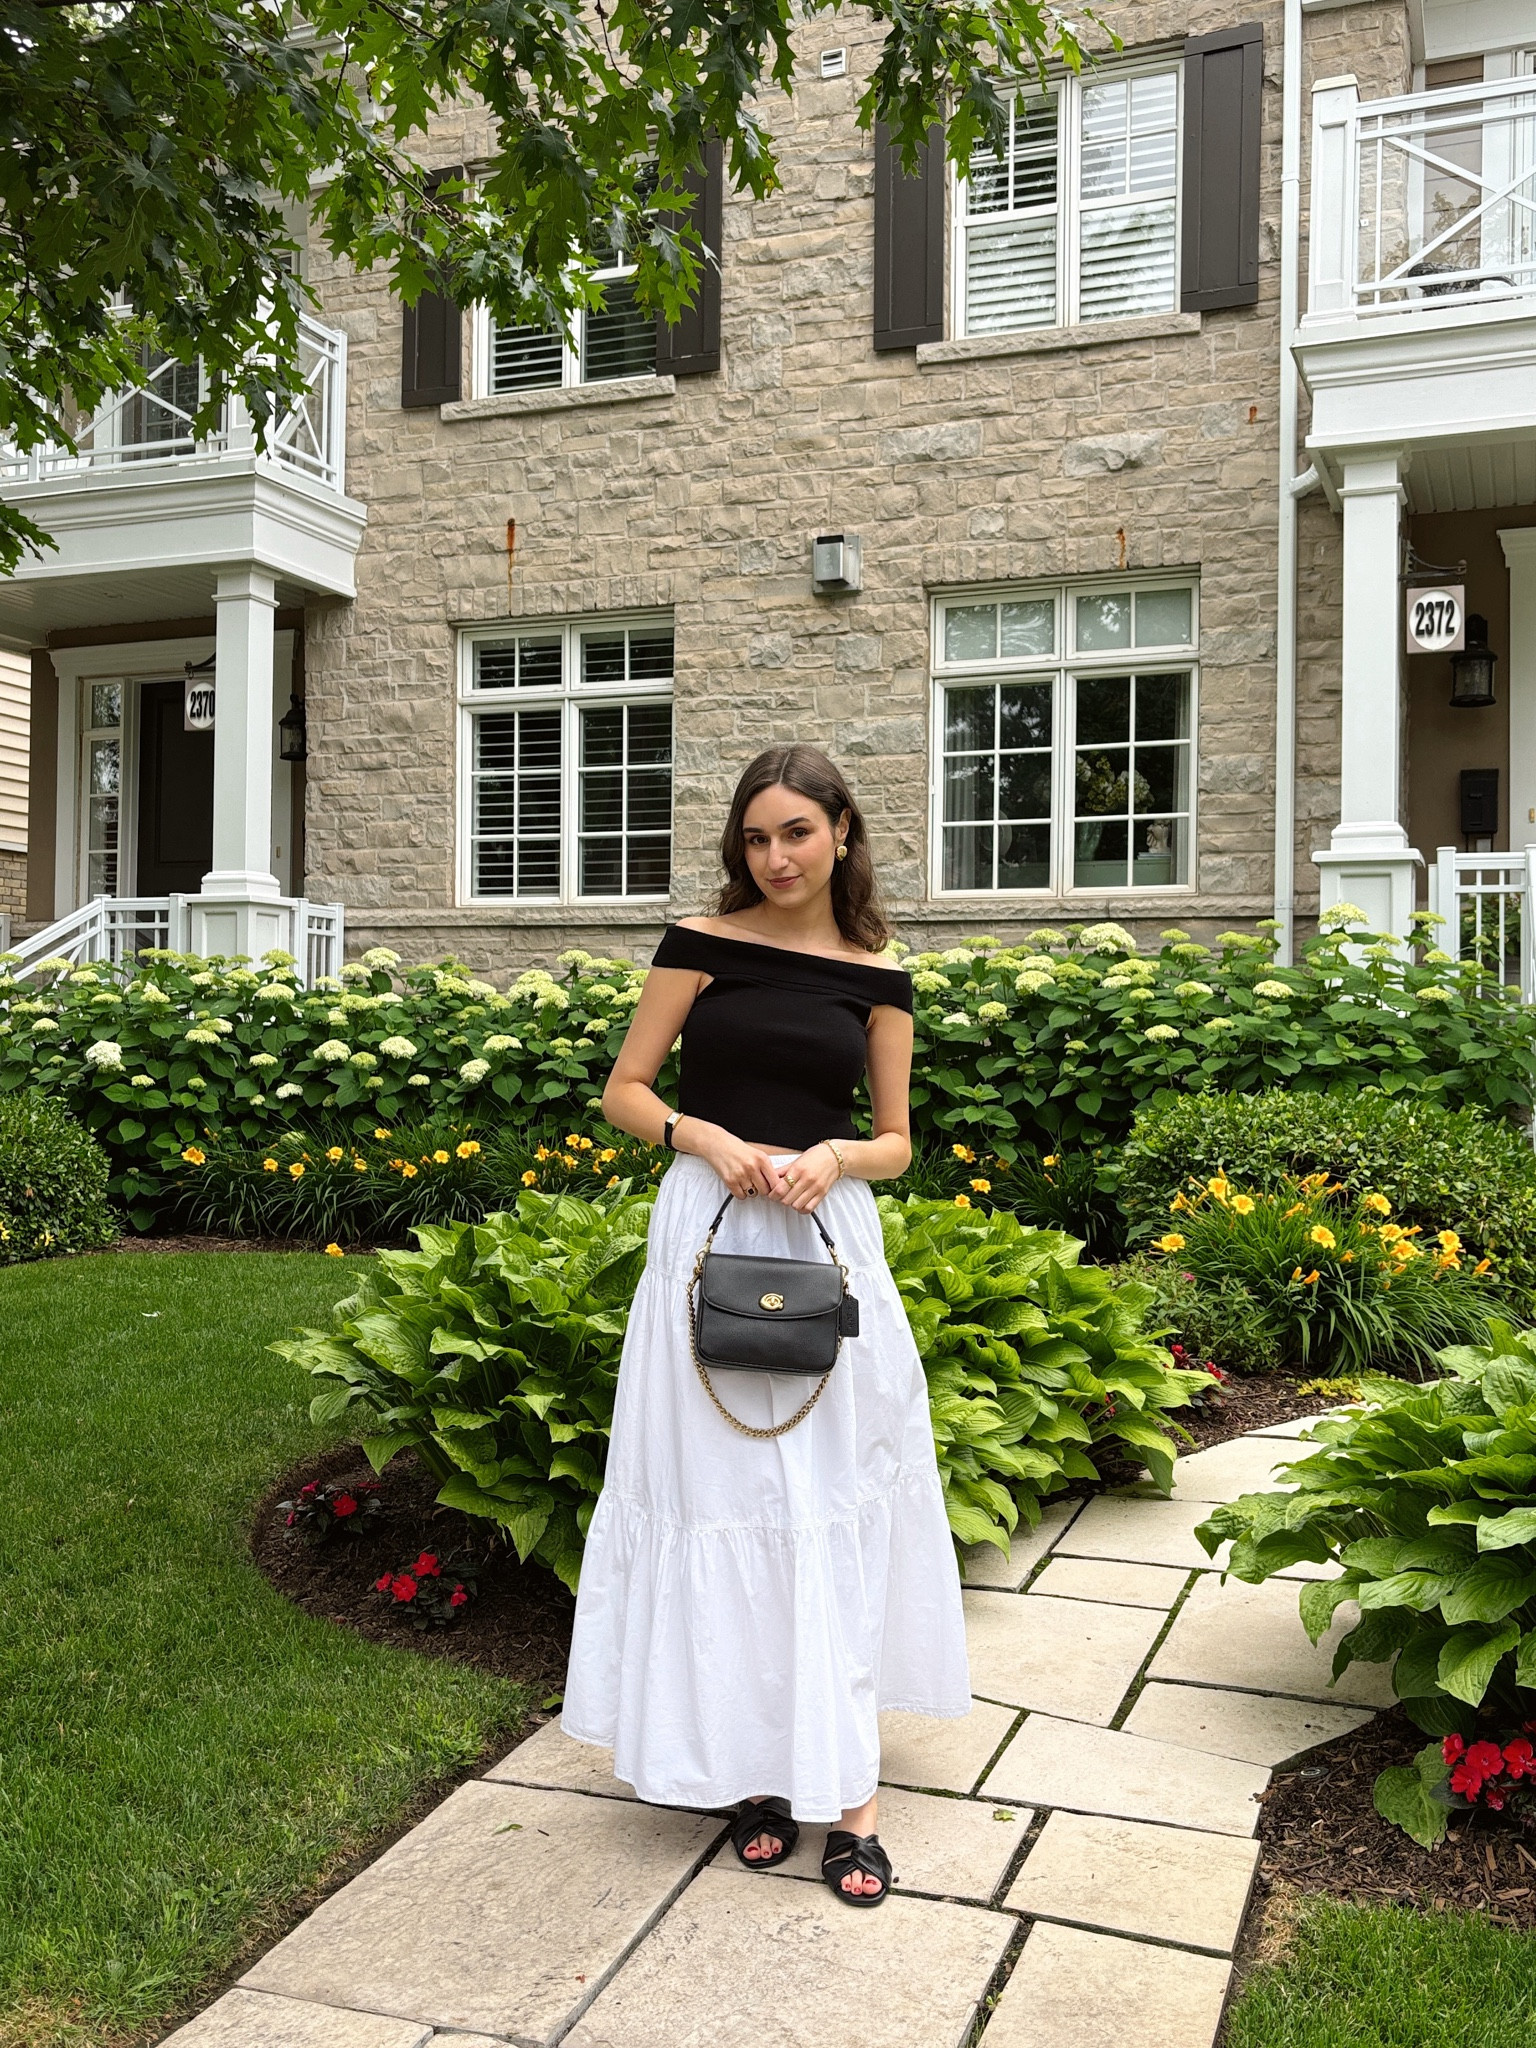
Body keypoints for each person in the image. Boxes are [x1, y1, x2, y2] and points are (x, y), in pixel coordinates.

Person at [561, 742, 970, 1907]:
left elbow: (897, 1138)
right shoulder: (699, 944)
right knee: (723, 1496)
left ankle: (853, 1803)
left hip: (824, 1234)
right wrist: (709, 1138)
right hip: (709, 1227)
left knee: (827, 1498)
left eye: (797, 830)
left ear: (842, 830)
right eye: (756, 835)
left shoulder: (878, 970)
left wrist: (837, 1154)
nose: (777, 854)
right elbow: (627, 1088)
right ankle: (753, 1772)